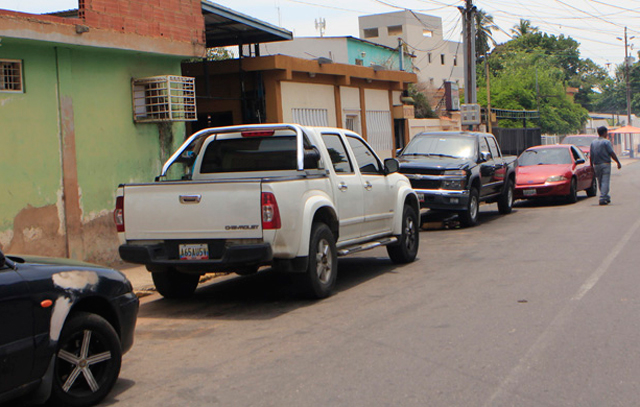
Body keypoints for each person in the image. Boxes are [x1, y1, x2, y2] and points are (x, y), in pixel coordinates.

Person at [589, 126, 622, 205]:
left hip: (596, 165)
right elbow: (611, 153)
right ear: (604, 133)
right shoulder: (606, 142)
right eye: (606, 132)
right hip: (605, 164)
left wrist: (591, 166)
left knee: (600, 181)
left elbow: (591, 155)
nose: (607, 134)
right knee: (605, 181)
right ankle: (603, 198)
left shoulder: (593, 143)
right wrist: (618, 162)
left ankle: (606, 196)